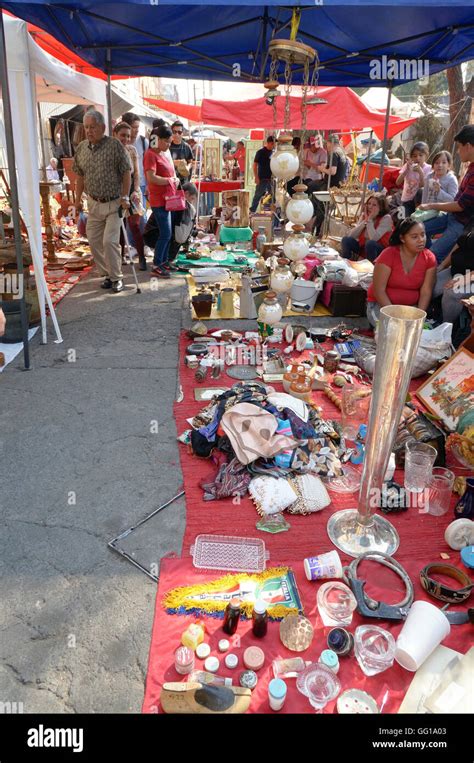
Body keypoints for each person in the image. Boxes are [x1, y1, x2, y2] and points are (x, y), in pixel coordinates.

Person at [73, 109, 131, 293]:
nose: (89, 131)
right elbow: (79, 177)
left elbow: (126, 171)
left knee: (109, 241)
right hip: (94, 203)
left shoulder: (114, 145)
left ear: (103, 127)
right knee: (93, 239)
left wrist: (125, 196)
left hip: (114, 203)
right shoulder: (81, 148)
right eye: (87, 127)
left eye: (93, 127)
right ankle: (107, 274)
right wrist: (77, 201)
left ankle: (117, 278)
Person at [366, 217, 437, 327]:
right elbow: (378, 290)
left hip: (410, 309)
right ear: (402, 238)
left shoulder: (429, 258)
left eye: (423, 235)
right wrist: (393, 316)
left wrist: (418, 318)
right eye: (414, 237)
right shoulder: (388, 254)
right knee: (391, 331)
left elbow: (426, 291)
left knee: (419, 334)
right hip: (381, 306)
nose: (421, 240)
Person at [419, 125, 474, 263]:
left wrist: (432, 205)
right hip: (451, 216)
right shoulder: (470, 167)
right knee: (417, 231)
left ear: (468, 146)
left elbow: (460, 205)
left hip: (461, 224)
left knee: (432, 255)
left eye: (459, 147)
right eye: (437, 163)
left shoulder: (453, 178)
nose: (458, 152)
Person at [143, 125, 179, 278]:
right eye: (167, 142)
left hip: (167, 199)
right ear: (158, 139)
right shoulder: (150, 154)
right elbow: (151, 178)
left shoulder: (162, 153)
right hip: (158, 200)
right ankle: (157, 264)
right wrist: (169, 181)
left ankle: (163, 262)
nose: (169, 145)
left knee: (167, 233)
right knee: (165, 233)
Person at [112, 121, 146, 271]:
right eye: (122, 135)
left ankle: (142, 257)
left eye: (128, 136)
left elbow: (137, 174)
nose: (125, 138)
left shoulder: (132, 150)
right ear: (115, 135)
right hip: (115, 194)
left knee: (134, 226)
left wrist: (135, 190)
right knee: (119, 227)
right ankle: (120, 256)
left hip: (131, 192)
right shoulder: (109, 151)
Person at [433, 220, 474, 325]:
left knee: (452, 293)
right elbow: (459, 243)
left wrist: (462, 280)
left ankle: (446, 327)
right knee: (431, 283)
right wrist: (443, 265)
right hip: (456, 270)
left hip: (470, 278)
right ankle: (429, 317)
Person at [341, 193, 393, 262]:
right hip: (364, 248)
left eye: (374, 205)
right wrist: (364, 222)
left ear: (380, 208)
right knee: (346, 240)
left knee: (370, 244)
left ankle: (370, 268)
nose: (370, 207)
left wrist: (370, 220)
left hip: (379, 251)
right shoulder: (364, 216)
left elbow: (374, 238)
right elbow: (351, 235)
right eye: (369, 204)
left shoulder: (386, 218)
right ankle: (346, 263)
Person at [395, 141, 431, 218]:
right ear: (411, 157)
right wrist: (406, 170)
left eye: (420, 155)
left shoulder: (428, 168)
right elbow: (398, 182)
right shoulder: (407, 166)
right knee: (401, 220)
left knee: (414, 221)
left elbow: (423, 186)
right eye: (414, 156)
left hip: (419, 202)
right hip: (406, 200)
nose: (417, 158)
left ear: (426, 156)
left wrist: (420, 172)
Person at [121, 113, 149, 204]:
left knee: (140, 216)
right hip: (121, 186)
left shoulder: (144, 142)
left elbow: (148, 165)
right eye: (134, 127)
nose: (137, 130)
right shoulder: (118, 143)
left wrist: (148, 185)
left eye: (138, 127)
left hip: (141, 185)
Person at [168, 182, 198, 265]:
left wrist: (195, 232)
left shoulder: (174, 199)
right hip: (155, 236)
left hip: (151, 234)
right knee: (178, 236)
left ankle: (168, 257)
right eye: (192, 199)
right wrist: (195, 233)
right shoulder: (181, 205)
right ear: (186, 193)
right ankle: (168, 258)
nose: (191, 202)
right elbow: (181, 232)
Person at [250, 135, 275, 214]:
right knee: (258, 195)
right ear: (268, 143)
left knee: (272, 196)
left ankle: (271, 212)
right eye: (272, 144)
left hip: (271, 179)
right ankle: (252, 211)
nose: (273, 146)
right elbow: (254, 165)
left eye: (274, 144)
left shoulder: (273, 153)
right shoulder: (260, 152)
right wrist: (256, 177)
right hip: (262, 178)